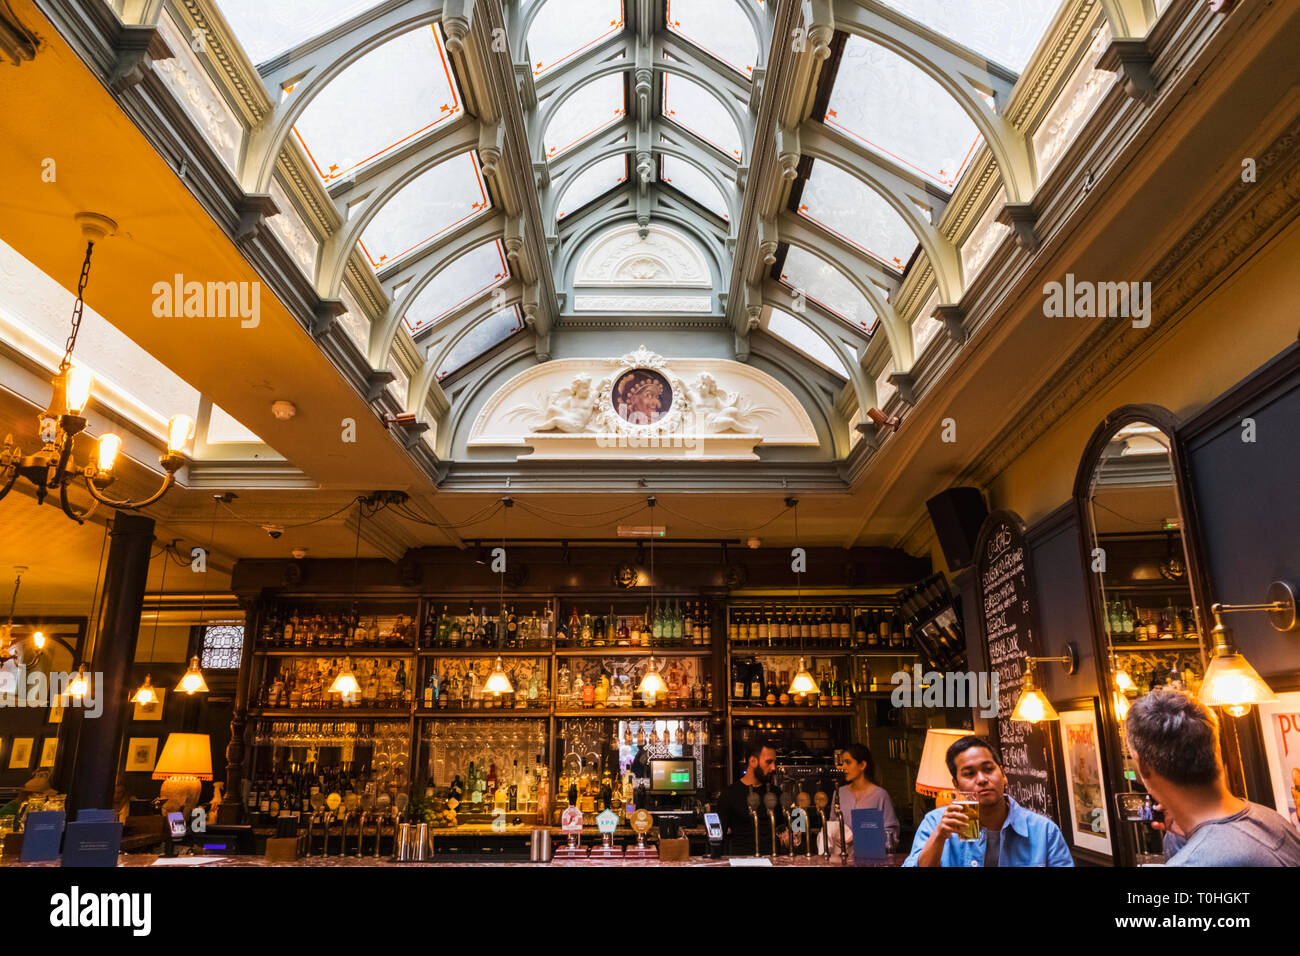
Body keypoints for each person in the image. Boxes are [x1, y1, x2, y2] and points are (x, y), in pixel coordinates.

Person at [1126, 687, 1300, 866]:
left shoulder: (1195, 862)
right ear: (1216, 749)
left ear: (1143, 765)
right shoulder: (1271, 820)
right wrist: (1191, 837)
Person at [904, 735, 1074, 867]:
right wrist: (939, 837)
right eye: (969, 774)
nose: (981, 779)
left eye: (988, 769)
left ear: (1004, 775)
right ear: (956, 784)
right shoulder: (935, 823)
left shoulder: (1043, 831)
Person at [825, 743, 900, 853]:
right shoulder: (839, 793)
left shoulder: (880, 795)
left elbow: (892, 835)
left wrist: (862, 837)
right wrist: (835, 836)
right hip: (842, 860)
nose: (844, 767)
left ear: (862, 765)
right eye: (843, 762)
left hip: (871, 860)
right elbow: (832, 824)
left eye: (848, 762)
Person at [718, 741, 787, 855]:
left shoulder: (776, 792)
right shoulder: (729, 794)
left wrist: (791, 836)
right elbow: (719, 837)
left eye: (775, 762)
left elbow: (788, 825)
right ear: (753, 761)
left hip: (773, 860)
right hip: (741, 861)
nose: (774, 767)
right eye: (769, 762)